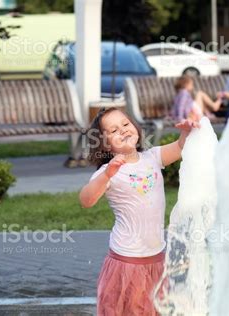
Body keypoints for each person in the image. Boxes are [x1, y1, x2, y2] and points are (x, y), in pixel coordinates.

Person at [80, 107, 199, 315]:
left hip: (156, 259)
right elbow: (86, 200)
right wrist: (107, 174)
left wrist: (186, 132)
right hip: (127, 261)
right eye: (114, 130)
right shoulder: (108, 172)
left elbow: (181, 147)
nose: (123, 130)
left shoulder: (152, 157)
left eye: (125, 124)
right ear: (105, 144)